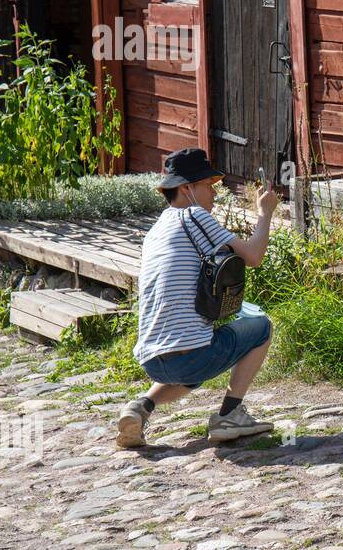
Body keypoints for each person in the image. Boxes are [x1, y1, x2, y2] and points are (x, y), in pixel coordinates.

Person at [116, 147, 278, 448]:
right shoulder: (193, 215)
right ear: (186, 188)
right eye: (208, 186)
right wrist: (265, 213)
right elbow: (254, 256)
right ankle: (230, 415)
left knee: (189, 369)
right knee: (262, 328)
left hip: (152, 360)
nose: (214, 194)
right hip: (190, 357)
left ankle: (140, 408)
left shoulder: (156, 229)